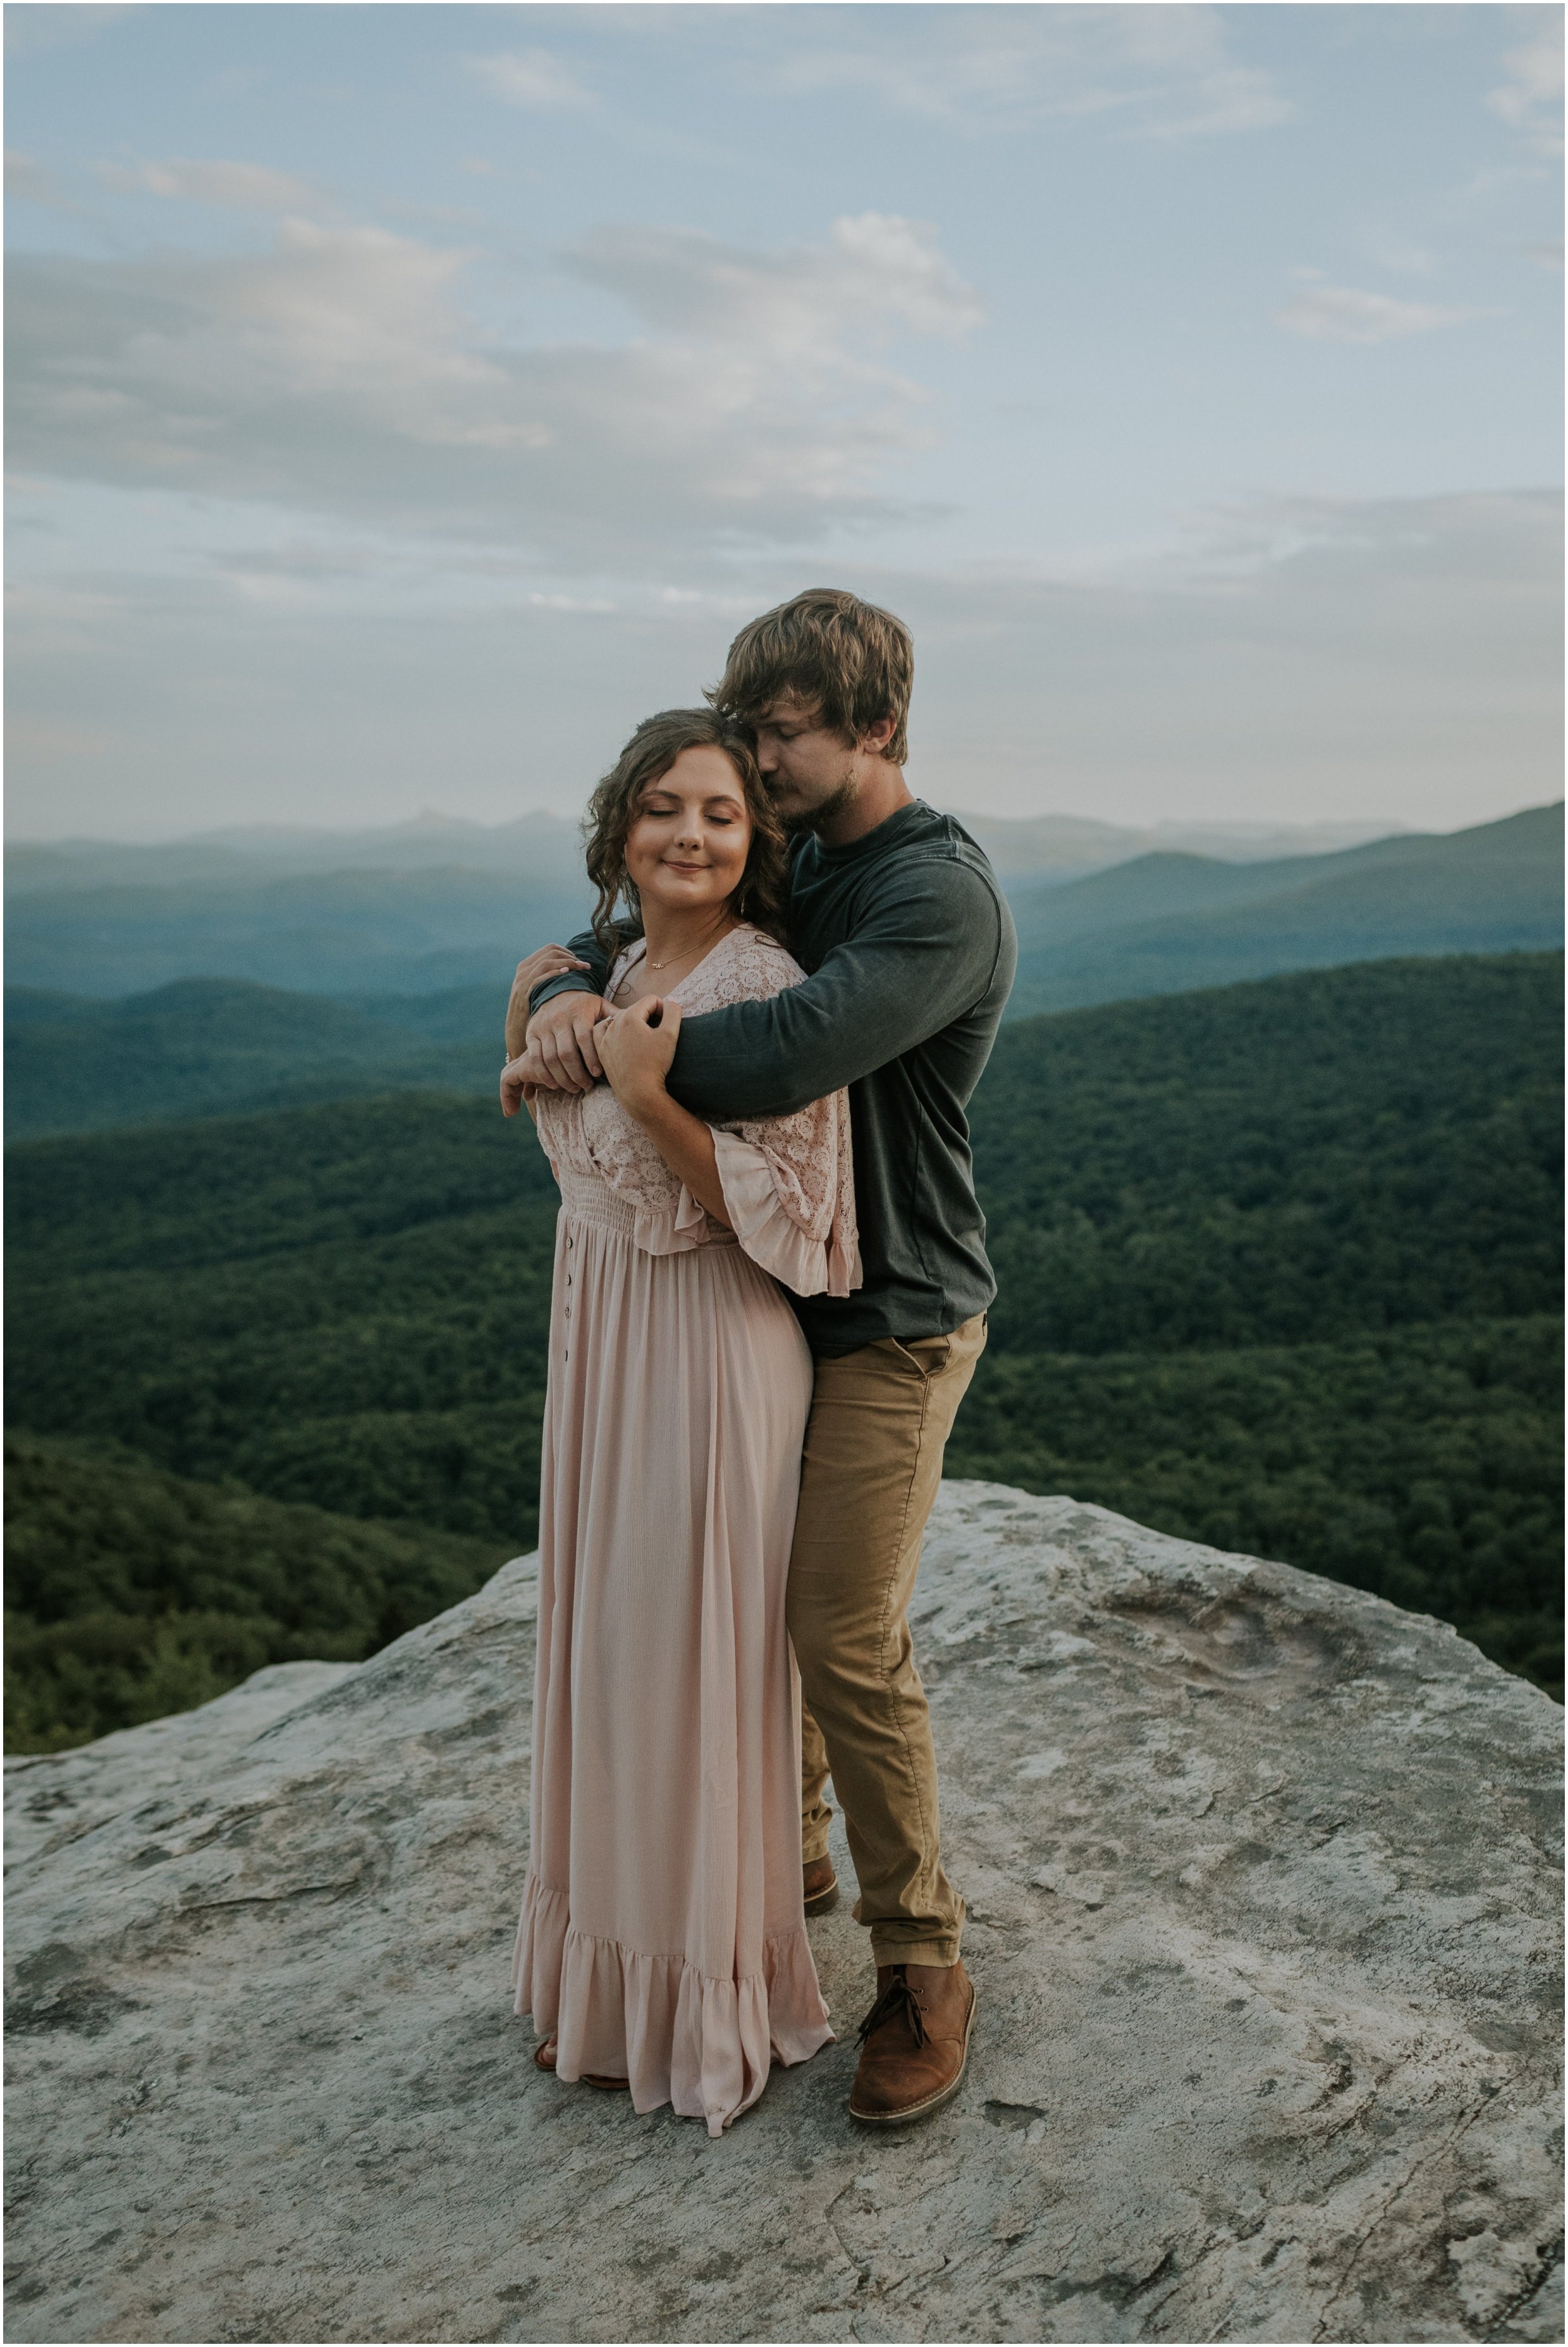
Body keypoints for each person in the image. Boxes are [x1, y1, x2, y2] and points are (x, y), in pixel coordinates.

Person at [511, 589, 1017, 2127]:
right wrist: (555, 979)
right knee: (735, 1591)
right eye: (747, 728)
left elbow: (771, 1049)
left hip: (890, 1315)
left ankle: (922, 1963)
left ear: (874, 727)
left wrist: (587, 1026)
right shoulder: (800, 855)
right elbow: (641, 924)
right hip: (762, 1298)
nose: (757, 758)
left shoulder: (935, 898)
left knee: (836, 1623)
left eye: (782, 732)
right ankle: (779, 1846)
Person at [503, 706, 861, 2138]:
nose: (692, 834)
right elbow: (549, 1014)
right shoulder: (613, 963)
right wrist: (555, 1003)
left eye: (720, 812)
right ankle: (602, 1990)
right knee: (609, 1651)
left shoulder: (765, 984)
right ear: (621, 829)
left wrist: (651, 1100)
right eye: (665, 807)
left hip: (711, 1341)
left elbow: (791, 1221)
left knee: (692, 1665)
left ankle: (699, 1996)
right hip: (601, 1339)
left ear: (752, 838)